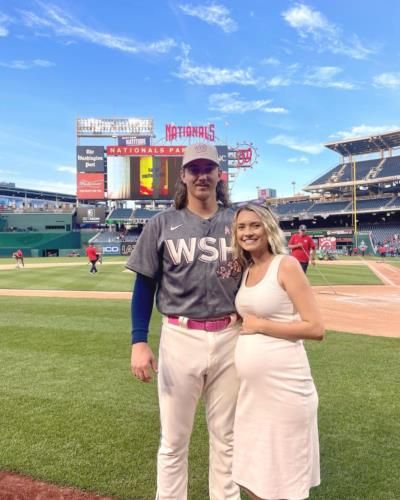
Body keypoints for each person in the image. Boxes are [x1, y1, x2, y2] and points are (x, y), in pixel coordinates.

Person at [126, 143, 242, 500]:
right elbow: (144, 284)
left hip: (232, 336)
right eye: (194, 168)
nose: (202, 175)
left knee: (228, 439)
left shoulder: (239, 221)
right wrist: (138, 340)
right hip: (180, 335)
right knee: (174, 440)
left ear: (219, 175)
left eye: (209, 168)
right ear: (184, 176)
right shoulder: (162, 223)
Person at [231, 204, 324, 500]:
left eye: (255, 225)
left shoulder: (286, 265)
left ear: (268, 228)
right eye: (242, 227)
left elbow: (315, 328)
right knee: (257, 477)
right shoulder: (247, 270)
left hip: (286, 390)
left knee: (285, 481)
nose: (248, 232)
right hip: (252, 396)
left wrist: (260, 324)